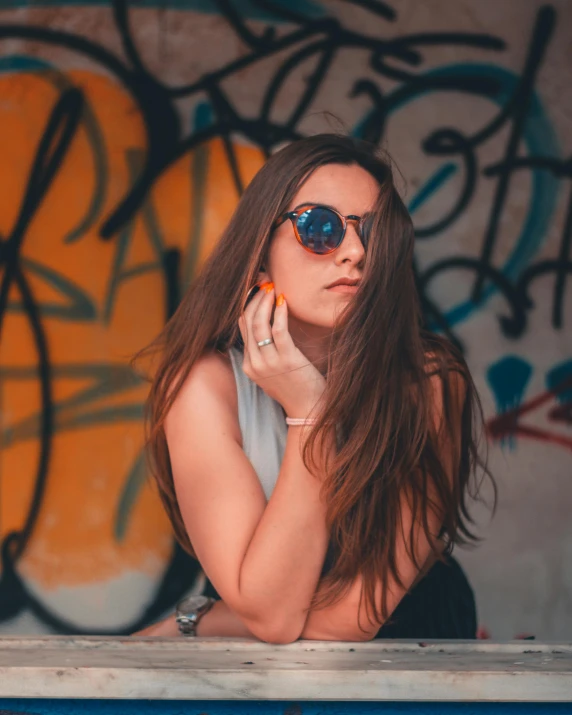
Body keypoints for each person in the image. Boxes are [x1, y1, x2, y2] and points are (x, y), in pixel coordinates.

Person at [133, 134, 495, 642]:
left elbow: (351, 620)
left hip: (410, 644)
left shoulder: (428, 383)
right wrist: (311, 416)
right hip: (251, 652)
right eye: (319, 227)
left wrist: (192, 623)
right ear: (259, 254)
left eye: (375, 232)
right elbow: (272, 615)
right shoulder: (203, 385)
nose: (354, 252)